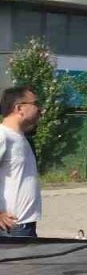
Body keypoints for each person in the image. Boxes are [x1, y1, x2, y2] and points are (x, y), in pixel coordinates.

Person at [0, 85, 42, 238]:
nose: (40, 109)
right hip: (10, 228)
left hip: (25, 226)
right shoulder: (3, 136)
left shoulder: (21, 138)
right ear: (19, 108)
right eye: (36, 104)